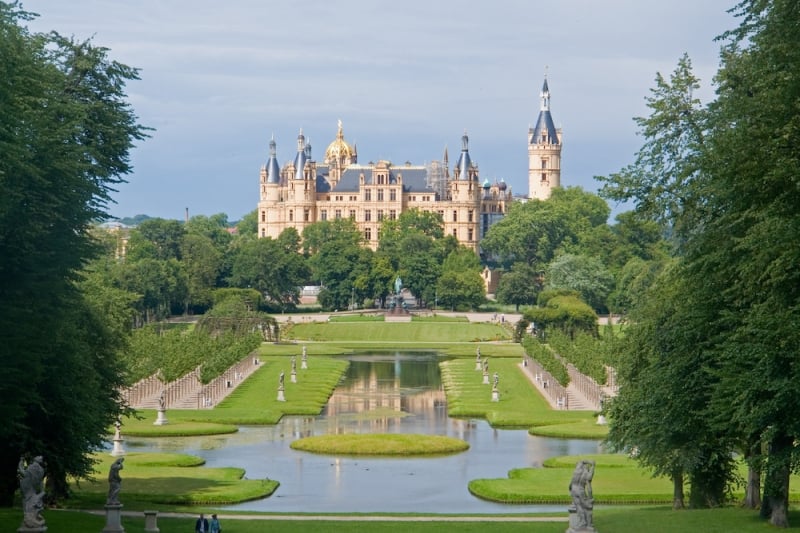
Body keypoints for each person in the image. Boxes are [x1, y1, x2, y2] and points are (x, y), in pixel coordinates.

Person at [569, 459, 596, 529]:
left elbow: (581, 461)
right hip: (580, 490)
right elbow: (589, 488)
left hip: (573, 489)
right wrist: (591, 498)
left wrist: (590, 462)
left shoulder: (578, 468)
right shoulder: (587, 475)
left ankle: (583, 521)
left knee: (578, 506)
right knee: (586, 506)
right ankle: (585, 523)